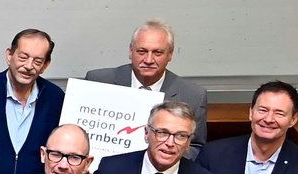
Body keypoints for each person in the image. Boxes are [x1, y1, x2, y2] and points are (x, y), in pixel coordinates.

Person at [85, 20, 210, 157]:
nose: (148, 60)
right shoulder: (99, 81)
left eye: (157, 52)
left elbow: (195, 147)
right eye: (142, 51)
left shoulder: (193, 95)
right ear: (131, 51)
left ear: (170, 55)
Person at [0, 29, 64, 174]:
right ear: (9, 56)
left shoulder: (55, 98)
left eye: (37, 61)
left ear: (45, 65)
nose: (29, 66)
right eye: (23, 57)